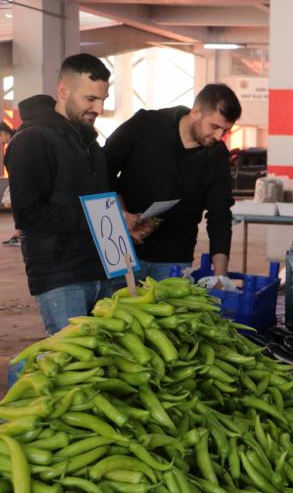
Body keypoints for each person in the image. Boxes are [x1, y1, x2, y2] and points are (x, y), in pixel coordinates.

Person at [5, 53, 111, 334]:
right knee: (67, 364)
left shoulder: (88, 142)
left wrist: (121, 221)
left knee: (99, 362)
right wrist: (94, 219)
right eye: (91, 99)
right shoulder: (33, 140)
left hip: (99, 268)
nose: (99, 108)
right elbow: (28, 215)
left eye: (103, 99)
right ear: (63, 91)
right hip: (60, 275)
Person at [104, 84, 241, 281]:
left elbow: (219, 215)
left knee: (170, 311)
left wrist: (220, 276)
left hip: (174, 259)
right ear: (196, 113)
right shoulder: (146, 124)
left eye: (226, 130)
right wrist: (121, 214)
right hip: (122, 248)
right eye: (215, 126)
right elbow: (103, 166)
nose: (219, 136)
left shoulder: (217, 157)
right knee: (115, 307)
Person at [0, 123, 21, 247]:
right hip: (20, 179)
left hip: (20, 180)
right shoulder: (16, 139)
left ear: (4, 133)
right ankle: (18, 235)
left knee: (19, 208)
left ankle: (19, 236)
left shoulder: (15, 141)